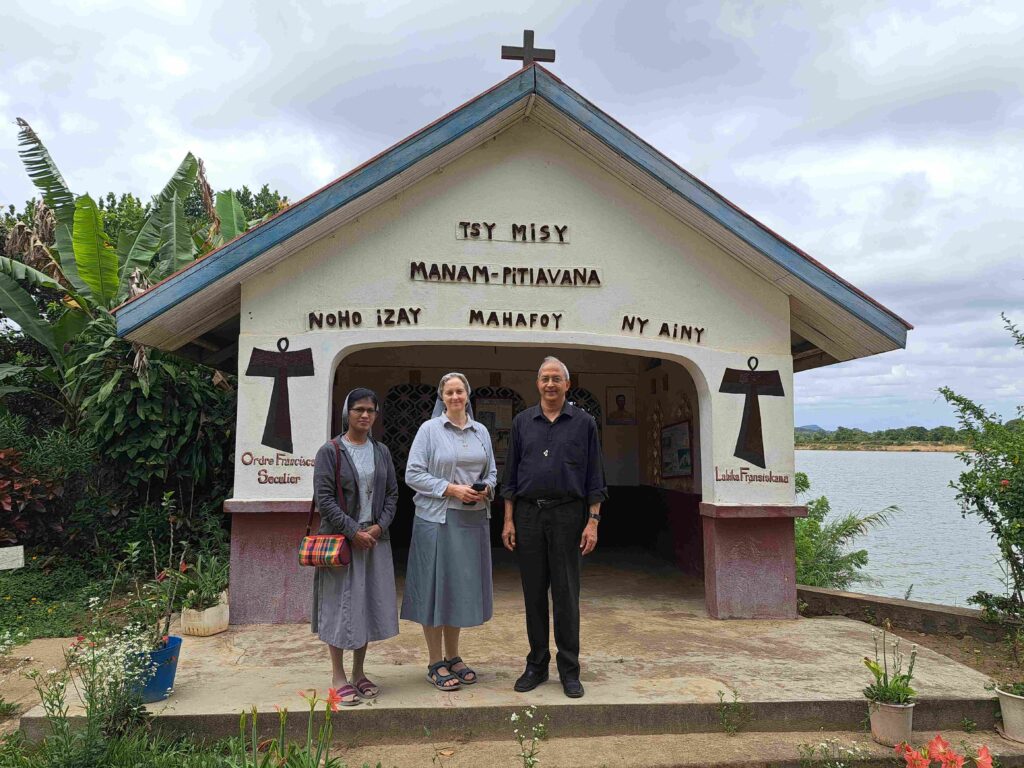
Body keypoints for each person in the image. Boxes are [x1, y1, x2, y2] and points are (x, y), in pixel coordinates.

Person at [501, 356, 607, 699]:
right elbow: (511, 475)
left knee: (565, 595)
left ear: (567, 384)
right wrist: (509, 519)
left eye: (556, 379)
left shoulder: (584, 423)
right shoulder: (521, 422)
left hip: (569, 517)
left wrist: (592, 521)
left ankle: (569, 669)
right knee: (533, 595)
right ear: (537, 384)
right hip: (529, 516)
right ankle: (536, 665)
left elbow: (594, 475)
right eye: (544, 378)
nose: (550, 384)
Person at [402, 372, 498, 691]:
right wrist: (451, 489)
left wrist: (486, 489)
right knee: (435, 591)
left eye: (460, 391)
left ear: (468, 395)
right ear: (441, 397)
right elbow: (413, 474)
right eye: (449, 392)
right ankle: (434, 662)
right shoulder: (429, 430)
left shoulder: (481, 430)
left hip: (472, 521)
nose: (455, 397)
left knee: (457, 590)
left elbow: (493, 471)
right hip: (437, 520)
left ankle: (454, 657)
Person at [312, 387, 399, 706]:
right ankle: (338, 676)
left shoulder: (381, 451)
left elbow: (392, 494)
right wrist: (353, 531)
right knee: (338, 607)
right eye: (358, 409)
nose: (365, 415)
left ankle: (359, 673)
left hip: (374, 540)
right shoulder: (331, 451)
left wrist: (378, 526)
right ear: (347, 413)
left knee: (365, 606)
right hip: (342, 542)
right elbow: (324, 499)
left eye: (371, 410)